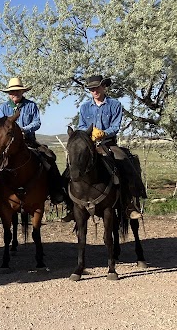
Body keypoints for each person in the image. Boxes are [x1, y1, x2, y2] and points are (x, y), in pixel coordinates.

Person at [62, 74, 146, 221]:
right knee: (70, 169)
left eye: (96, 87)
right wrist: (87, 134)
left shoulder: (115, 104)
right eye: (91, 89)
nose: (94, 91)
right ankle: (71, 206)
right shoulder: (85, 107)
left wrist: (103, 133)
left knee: (124, 161)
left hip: (108, 143)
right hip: (89, 144)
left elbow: (115, 126)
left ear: (103, 86)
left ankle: (129, 203)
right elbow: (81, 126)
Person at [0, 77, 66, 209]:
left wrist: (24, 130)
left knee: (49, 157)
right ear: (8, 93)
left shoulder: (31, 105)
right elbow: (0, 126)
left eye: (17, 91)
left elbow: (37, 122)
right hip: (8, 145)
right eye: (12, 92)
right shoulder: (3, 108)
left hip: (29, 141)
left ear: (22, 92)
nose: (14, 94)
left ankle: (57, 192)